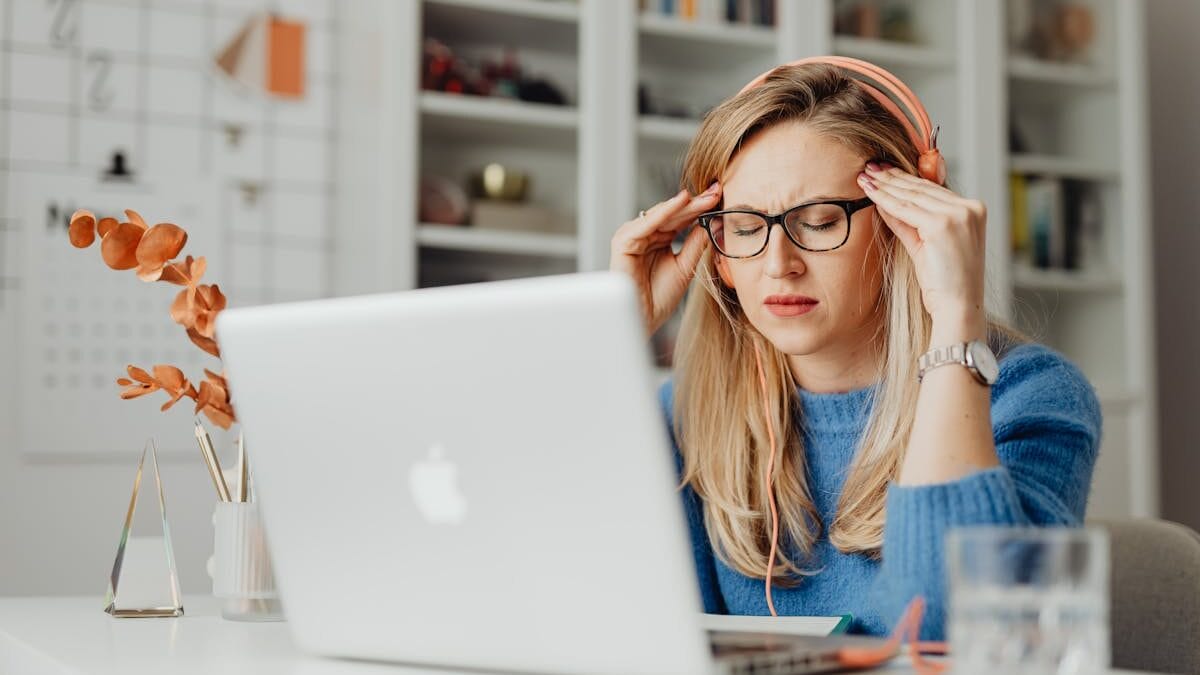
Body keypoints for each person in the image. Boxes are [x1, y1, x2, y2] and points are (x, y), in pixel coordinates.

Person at [608, 59, 1101, 640]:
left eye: (818, 222)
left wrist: (954, 323)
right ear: (716, 252)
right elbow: (613, 618)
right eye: (744, 228)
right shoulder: (686, 414)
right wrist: (613, 338)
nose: (777, 264)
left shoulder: (1030, 398)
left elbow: (949, 633)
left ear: (906, 223)